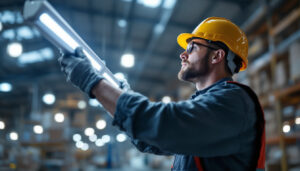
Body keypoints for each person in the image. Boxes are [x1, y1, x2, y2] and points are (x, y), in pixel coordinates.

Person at [58, 17, 265, 171]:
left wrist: (93, 82)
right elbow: (150, 139)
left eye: (192, 47)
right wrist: (119, 94)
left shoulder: (233, 102)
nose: (183, 54)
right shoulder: (207, 106)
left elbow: (164, 125)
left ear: (217, 56)